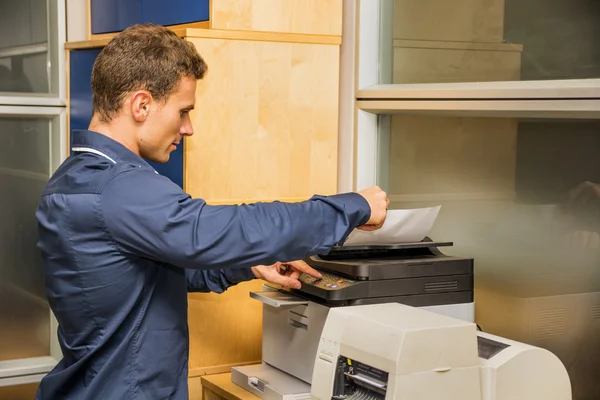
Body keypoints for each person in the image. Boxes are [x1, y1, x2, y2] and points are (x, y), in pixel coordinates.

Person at [34, 23, 388, 399]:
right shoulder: (118, 189)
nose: (188, 128)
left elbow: (141, 274)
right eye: (183, 111)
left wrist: (248, 265)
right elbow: (225, 229)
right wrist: (352, 206)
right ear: (141, 105)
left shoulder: (75, 178)